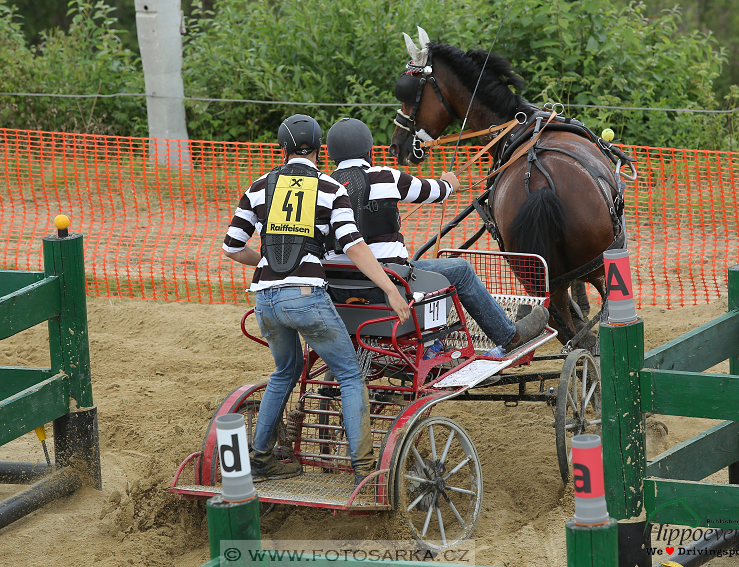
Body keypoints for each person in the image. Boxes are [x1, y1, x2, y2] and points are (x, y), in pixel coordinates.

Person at [223, 114, 410, 486]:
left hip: (265, 301)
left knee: (284, 372)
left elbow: (231, 247)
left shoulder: (259, 187)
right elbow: (353, 245)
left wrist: (263, 259)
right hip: (307, 298)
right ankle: (364, 470)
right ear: (320, 149)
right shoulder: (329, 188)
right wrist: (390, 288)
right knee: (350, 375)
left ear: (282, 149)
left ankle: (260, 459)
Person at [324, 117, 548, 352]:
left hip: (340, 290)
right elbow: (435, 191)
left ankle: (433, 339)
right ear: (369, 151)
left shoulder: (324, 186)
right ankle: (508, 336)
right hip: (390, 283)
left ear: (331, 154)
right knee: (460, 270)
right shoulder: (386, 177)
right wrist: (449, 182)